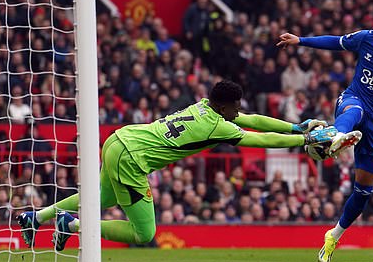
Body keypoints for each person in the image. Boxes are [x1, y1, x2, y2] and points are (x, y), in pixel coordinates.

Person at [18, 80, 335, 250]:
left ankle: (37, 217)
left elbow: (251, 119)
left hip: (119, 139)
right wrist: (304, 143)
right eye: (235, 107)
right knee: (144, 234)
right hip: (133, 158)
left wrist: (296, 127)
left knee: (101, 198)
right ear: (223, 106)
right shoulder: (218, 126)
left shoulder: (204, 107)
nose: (238, 112)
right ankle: (71, 225)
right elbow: (259, 140)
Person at [278, 9, 373, 262]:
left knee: (364, 191)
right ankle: (335, 134)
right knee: (354, 109)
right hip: (353, 99)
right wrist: (301, 40)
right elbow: (335, 41)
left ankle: (334, 235)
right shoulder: (367, 38)